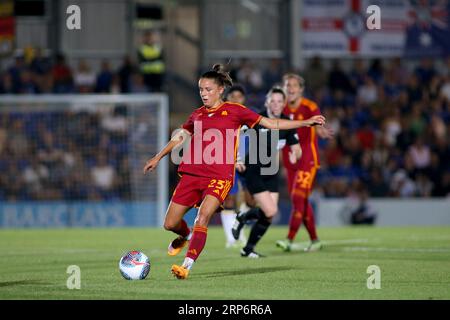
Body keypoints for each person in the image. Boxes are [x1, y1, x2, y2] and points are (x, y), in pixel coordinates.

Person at [143, 64, 326, 280]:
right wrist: (158, 156)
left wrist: (305, 122)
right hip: (192, 174)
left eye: (208, 89)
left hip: (219, 176)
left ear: (221, 89)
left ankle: (186, 266)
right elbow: (180, 136)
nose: (204, 93)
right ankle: (185, 235)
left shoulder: (236, 111)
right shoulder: (197, 115)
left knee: (202, 217)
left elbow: (270, 122)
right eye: (201, 89)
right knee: (170, 224)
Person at [231, 86, 302, 258]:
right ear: (267, 102)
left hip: (271, 172)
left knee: (269, 215)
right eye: (273, 101)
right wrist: (237, 158)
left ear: (284, 103)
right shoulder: (257, 119)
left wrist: (295, 155)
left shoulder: (287, 123)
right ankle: (243, 218)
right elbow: (236, 136)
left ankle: (247, 247)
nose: (276, 104)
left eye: (280, 101)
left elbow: (296, 147)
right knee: (270, 211)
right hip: (253, 169)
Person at [276, 74, 333, 252]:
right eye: (287, 85)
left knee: (298, 198)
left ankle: (289, 239)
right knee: (302, 201)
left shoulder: (310, 106)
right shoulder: (281, 108)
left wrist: (321, 130)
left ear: (301, 89)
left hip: (308, 160)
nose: (290, 89)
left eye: (294, 86)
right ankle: (315, 240)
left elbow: (317, 122)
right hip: (290, 160)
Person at [220, 84, 248, 248]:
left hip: (249, 163)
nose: (236, 99)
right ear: (227, 98)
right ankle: (231, 237)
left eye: (239, 96)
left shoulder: (250, 117)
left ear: (243, 99)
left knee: (248, 199)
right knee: (228, 199)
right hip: (228, 163)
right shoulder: (223, 116)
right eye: (233, 96)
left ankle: (240, 232)